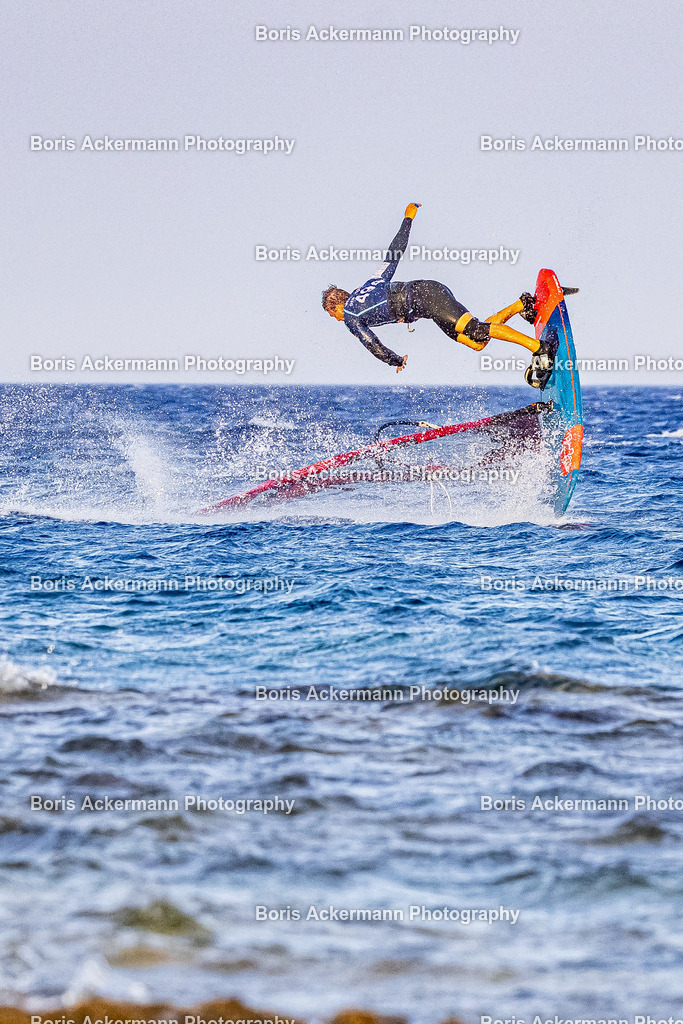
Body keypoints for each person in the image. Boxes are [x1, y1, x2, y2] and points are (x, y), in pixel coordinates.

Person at [322, 203, 558, 388]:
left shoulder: (351, 315)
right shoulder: (371, 282)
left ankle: (539, 348)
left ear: (336, 307)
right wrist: (408, 219)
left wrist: (395, 360)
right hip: (428, 296)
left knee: (475, 329)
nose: (337, 320)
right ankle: (521, 305)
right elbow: (394, 253)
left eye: (333, 316)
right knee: (477, 342)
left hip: (427, 298)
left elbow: (372, 344)